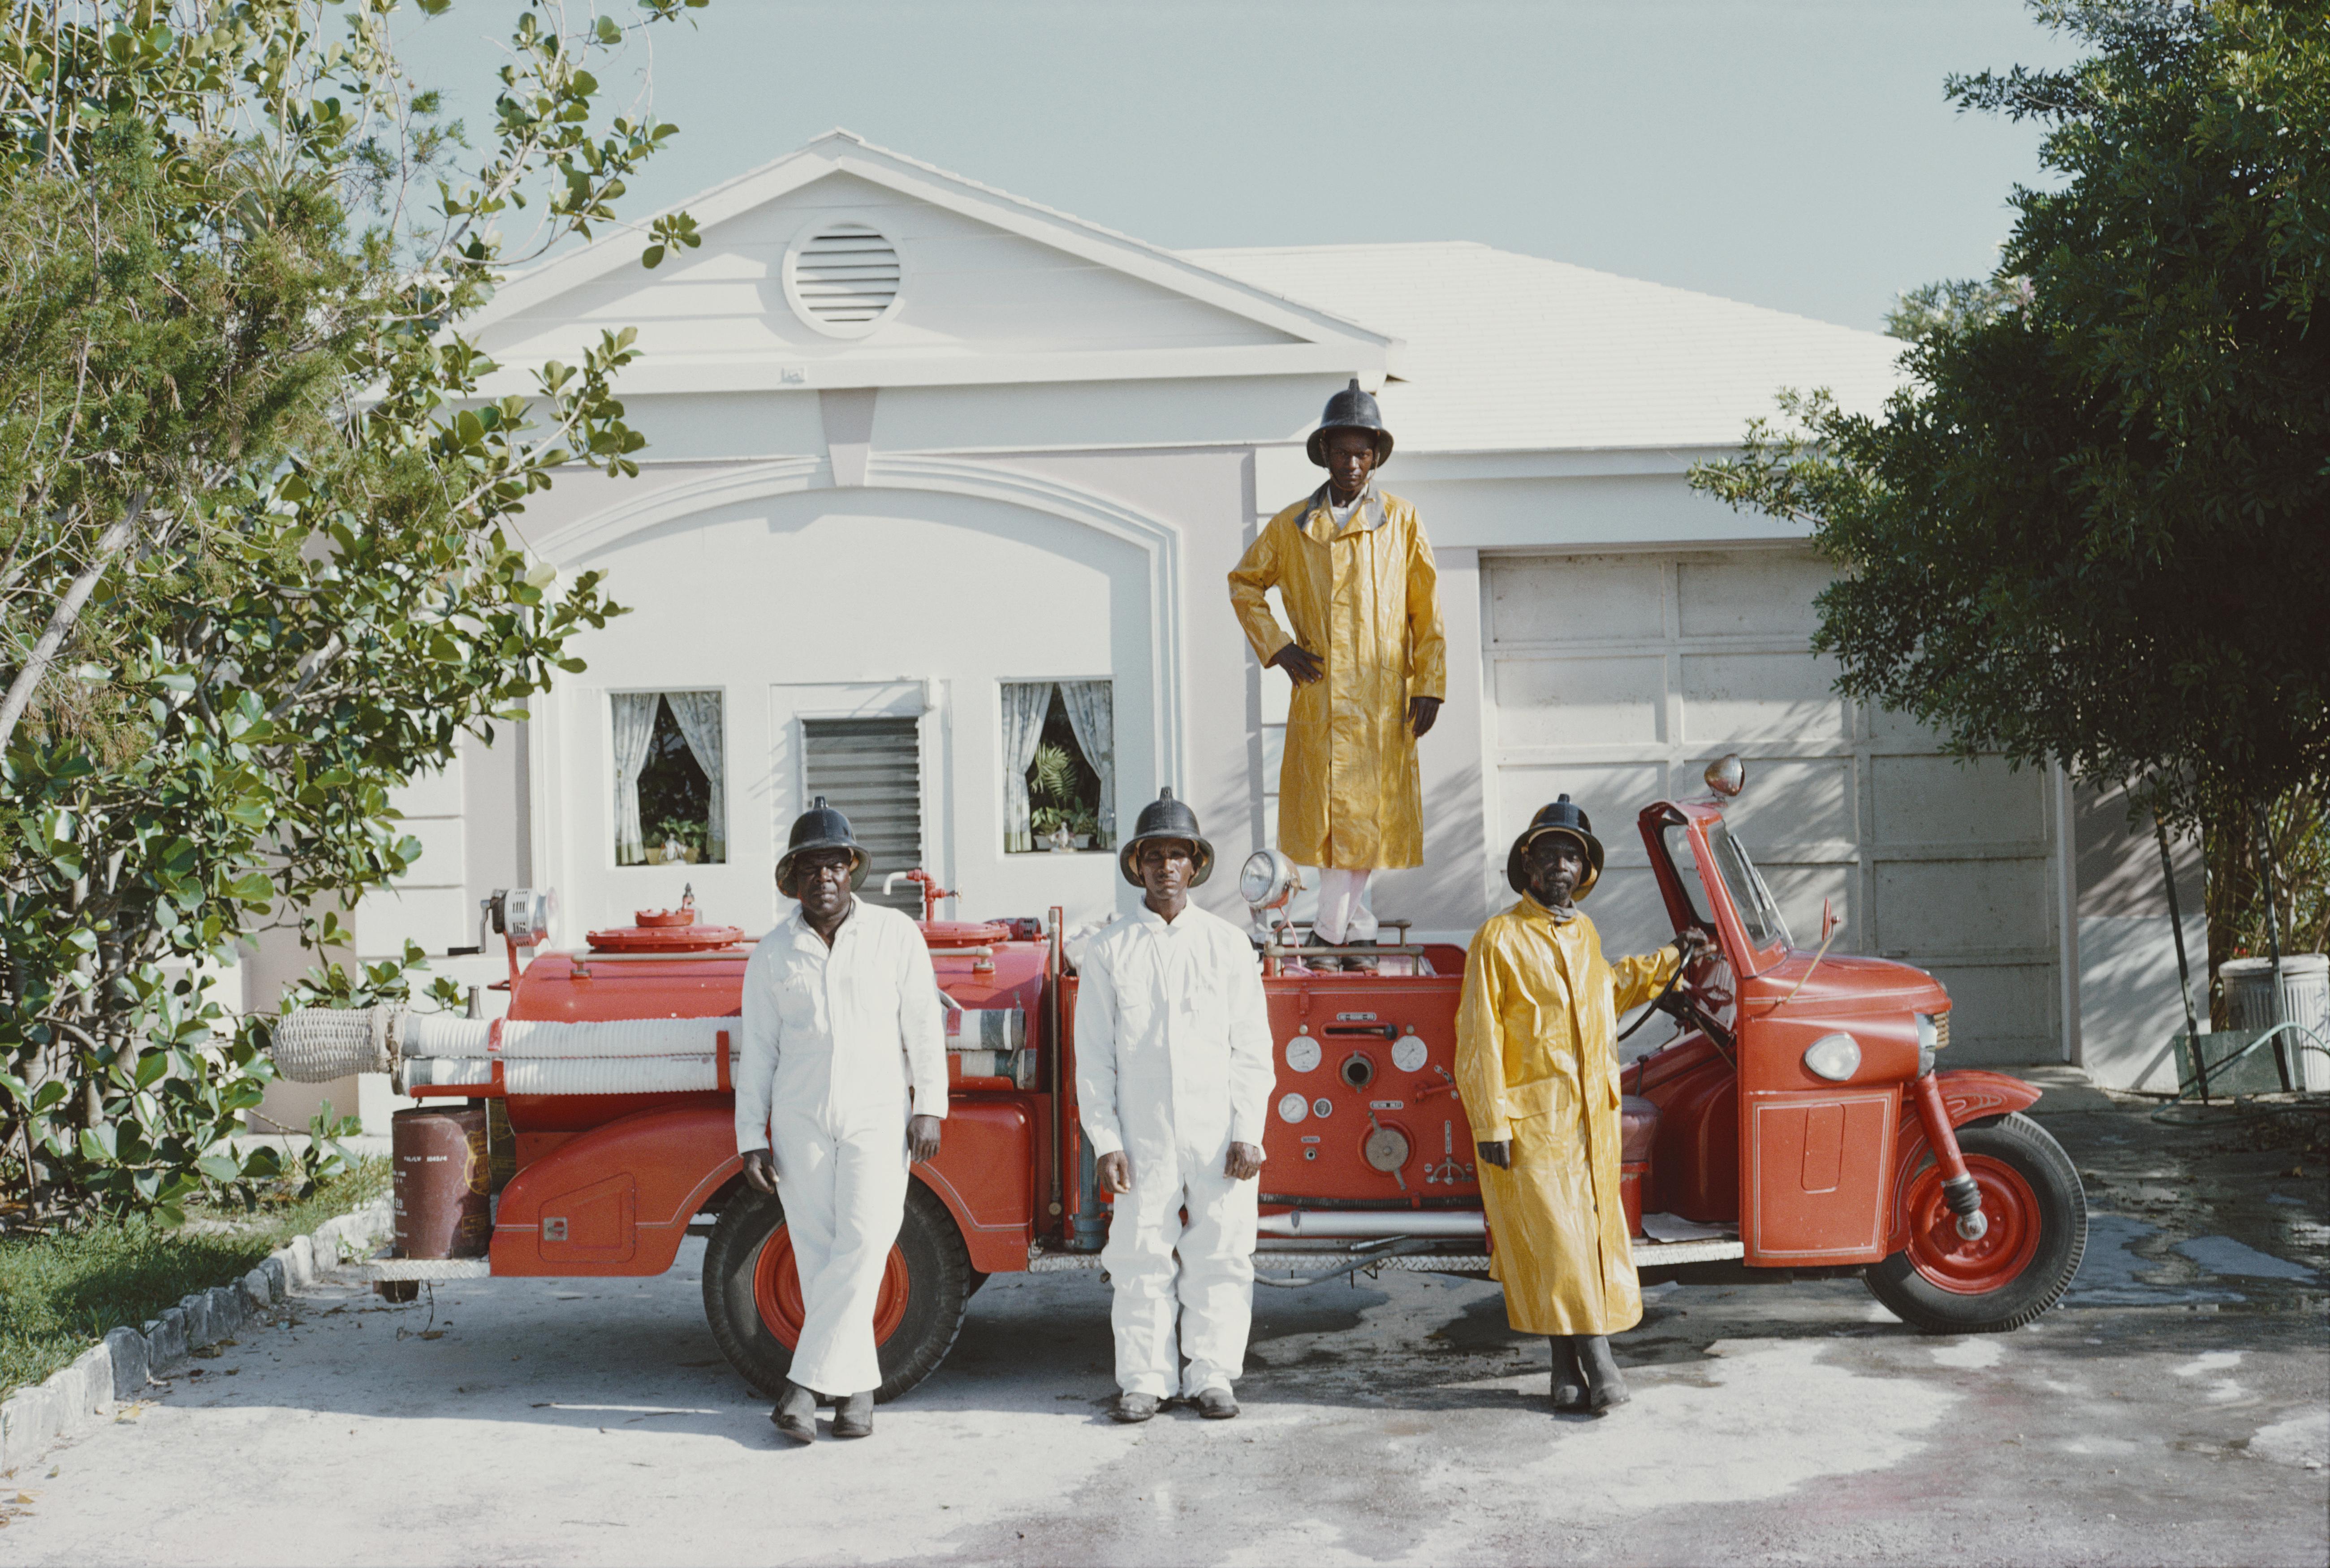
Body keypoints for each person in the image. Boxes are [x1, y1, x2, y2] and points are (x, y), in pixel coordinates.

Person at [1453, 795, 1706, 1414]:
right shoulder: (1499, 938)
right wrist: (1491, 1121)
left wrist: (1670, 959)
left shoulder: (1584, 933)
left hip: (1592, 1122)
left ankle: (1561, 1370)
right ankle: (1600, 1358)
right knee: (1559, 1242)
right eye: (1550, 854)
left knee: (1580, 1242)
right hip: (1532, 1124)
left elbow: (1604, 992)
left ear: (1584, 870)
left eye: (1572, 854)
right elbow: (1478, 1037)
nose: (1561, 865)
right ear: (1529, 866)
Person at [736, 797, 946, 1443]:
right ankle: (857, 1395)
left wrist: (930, 1106)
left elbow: (923, 1026)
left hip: (879, 1114)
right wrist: (751, 1138)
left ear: (852, 870)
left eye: (835, 865)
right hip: (800, 1120)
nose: (824, 878)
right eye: (811, 868)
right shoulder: (772, 954)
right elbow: (760, 1050)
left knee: (865, 1242)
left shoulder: (894, 935)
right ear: (793, 879)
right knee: (819, 1252)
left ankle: (801, 1388)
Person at [1227, 379, 1445, 971]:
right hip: (1321, 694)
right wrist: (1278, 649)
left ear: (1375, 456)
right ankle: (1348, 926)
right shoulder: (1293, 527)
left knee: (1365, 819)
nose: (1352, 464)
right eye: (1342, 451)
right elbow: (1244, 583)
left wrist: (1429, 681)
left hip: (1381, 698)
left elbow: (1426, 610)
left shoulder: (1401, 522)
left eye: (1363, 453)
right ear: (1324, 453)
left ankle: (1334, 931)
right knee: (1328, 821)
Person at [1076, 788, 1277, 1423]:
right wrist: (1106, 1141)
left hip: (1217, 1131)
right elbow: (1095, 1060)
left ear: (1196, 866)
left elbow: (1253, 1048)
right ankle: (1145, 1378)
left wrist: (1249, 1130)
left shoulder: (1226, 946)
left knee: (1221, 1249)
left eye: (1179, 856)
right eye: (1155, 856)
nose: (1166, 867)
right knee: (1139, 1254)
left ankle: (1213, 1374)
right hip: (1144, 1134)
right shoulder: (1109, 952)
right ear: (1137, 865)